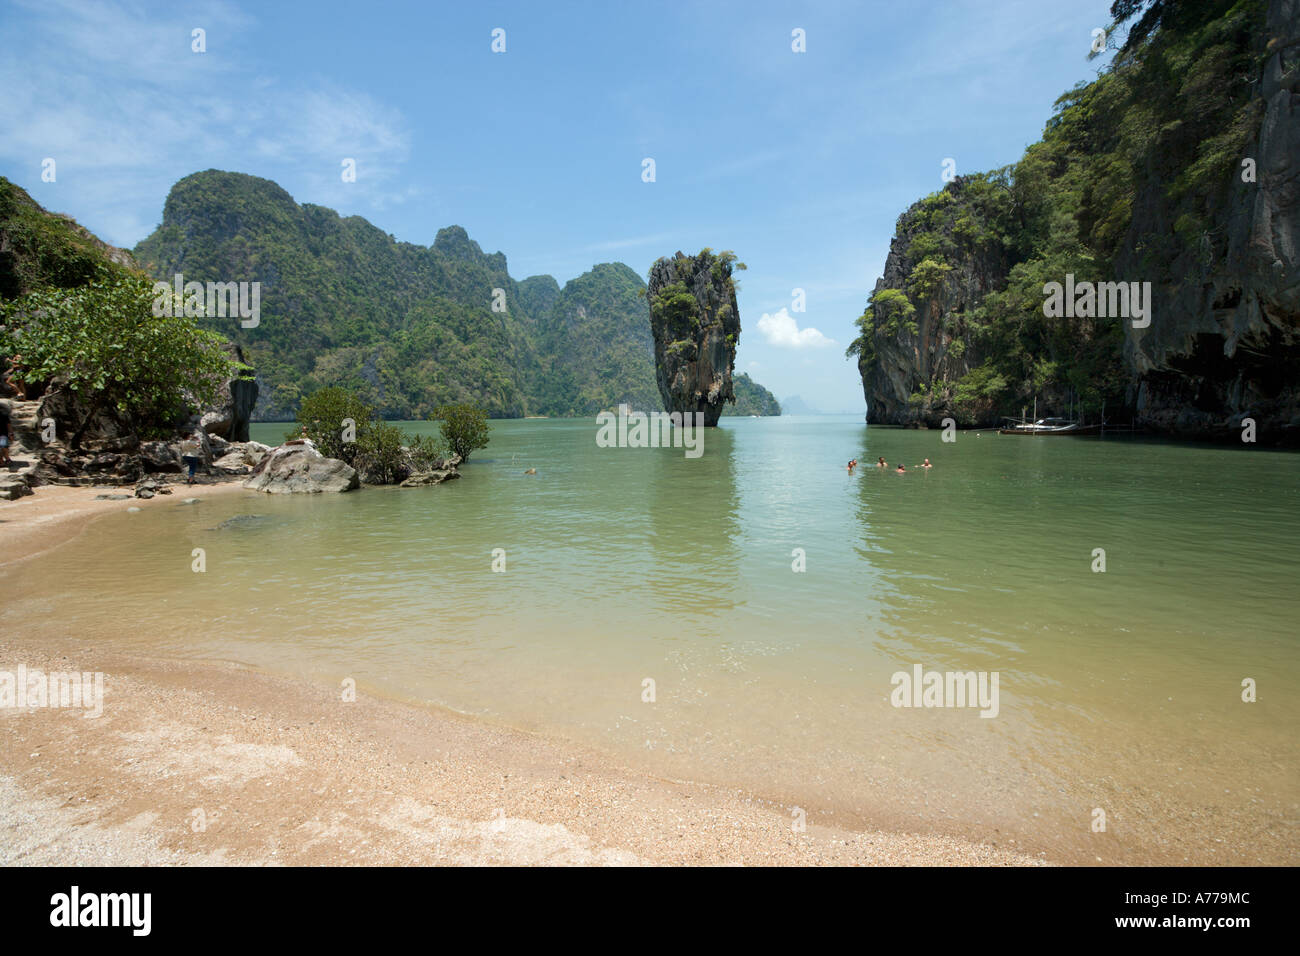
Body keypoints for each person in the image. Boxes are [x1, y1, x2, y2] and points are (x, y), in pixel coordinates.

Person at [0, 401, 12, 466]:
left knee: (3, 446)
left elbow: (8, 425)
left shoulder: (4, 416)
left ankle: (7, 459)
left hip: (3, 434)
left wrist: (10, 434)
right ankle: (2, 460)